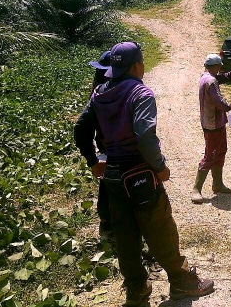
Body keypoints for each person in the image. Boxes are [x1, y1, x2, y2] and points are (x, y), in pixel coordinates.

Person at [74, 42, 214, 306]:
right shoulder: (141, 93)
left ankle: (137, 290)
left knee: (125, 236)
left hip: (113, 175)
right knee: (160, 229)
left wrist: (93, 161)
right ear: (137, 65)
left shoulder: (99, 93)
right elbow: (144, 135)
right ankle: (181, 281)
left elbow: (81, 128)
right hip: (139, 174)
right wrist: (160, 167)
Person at [191, 54, 231, 204]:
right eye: (220, 66)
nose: (221, 68)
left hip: (216, 123)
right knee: (210, 155)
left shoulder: (207, 77)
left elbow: (223, 78)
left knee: (221, 151)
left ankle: (217, 184)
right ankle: (196, 189)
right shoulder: (210, 80)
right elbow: (218, 101)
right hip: (212, 124)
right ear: (216, 66)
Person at [88, 51, 112, 238]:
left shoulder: (97, 89)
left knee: (108, 181)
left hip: (103, 141)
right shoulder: (105, 90)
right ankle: (107, 222)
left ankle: (107, 221)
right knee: (109, 182)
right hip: (108, 141)